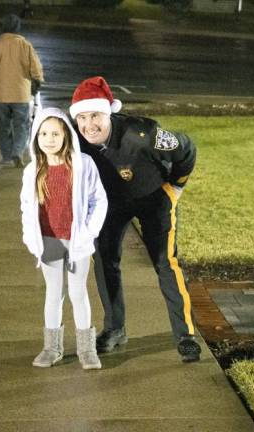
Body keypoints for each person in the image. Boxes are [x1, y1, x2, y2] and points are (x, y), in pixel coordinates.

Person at [69, 76, 201, 363]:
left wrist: (176, 186)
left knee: (166, 263)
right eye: (81, 117)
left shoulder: (143, 135)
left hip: (153, 199)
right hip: (110, 205)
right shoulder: (75, 140)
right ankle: (115, 329)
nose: (89, 124)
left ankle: (185, 335)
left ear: (109, 112)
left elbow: (187, 149)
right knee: (104, 260)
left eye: (95, 115)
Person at [20, 107, 108, 370]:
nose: (49, 139)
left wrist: (89, 232)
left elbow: (98, 200)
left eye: (55, 133)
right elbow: (26, 206)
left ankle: (87, 349)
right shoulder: (33, 170)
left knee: (78, 293)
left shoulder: (83, 165)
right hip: (49, 241)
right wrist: (30, 237)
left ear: (66, 135)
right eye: (43, 133)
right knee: (54, 293)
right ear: (36, 137)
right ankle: (52, 348)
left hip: (77, 241)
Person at [0, 14, 44, 167]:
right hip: (21, 94)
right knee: (22, 125)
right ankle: (17, 152)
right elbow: (36, 67)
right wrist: (37, 81)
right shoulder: (25, 45)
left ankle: (6, 155)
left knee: (4, 125)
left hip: (2, 94)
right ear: (17, 28)